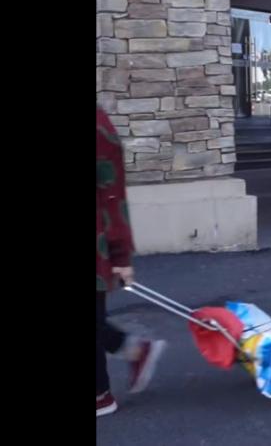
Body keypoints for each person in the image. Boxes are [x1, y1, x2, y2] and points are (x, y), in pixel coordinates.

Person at [97, 106, 167, 417]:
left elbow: (112, 195)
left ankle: (101, 395)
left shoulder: (99, 128)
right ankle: (136, 351)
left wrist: (120, 254)